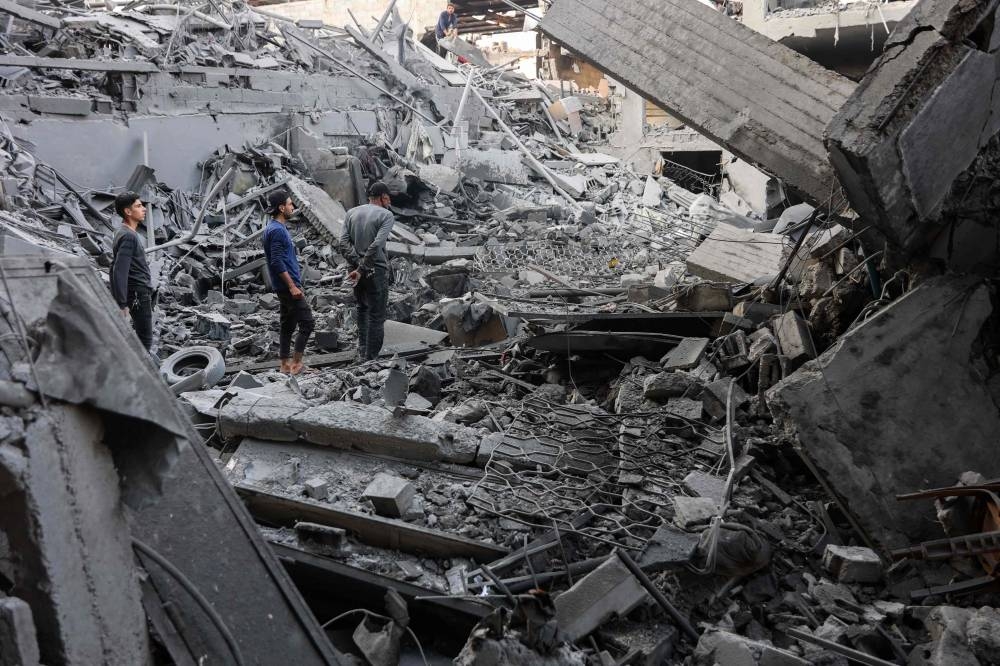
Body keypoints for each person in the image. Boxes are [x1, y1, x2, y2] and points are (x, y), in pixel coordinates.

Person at [340, 182, 395, 361]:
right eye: (388, 198)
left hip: (354, 272)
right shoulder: (386, 215)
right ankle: (370, 358)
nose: (389, 202)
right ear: (383, 197)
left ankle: (362, 351)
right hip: (375, 271)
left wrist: (357, 266)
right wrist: (364, 267)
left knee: (362, 309)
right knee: (377, 315)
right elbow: (377, 244)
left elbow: (343, 243)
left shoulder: (351, 213)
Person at [263, 189, 315, 375]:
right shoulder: (277, 231)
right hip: (287, 286)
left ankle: (285, 365)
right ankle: (296, 365)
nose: (293, 206)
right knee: (307, 323)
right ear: (281, 207)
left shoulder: (273, 227)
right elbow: (276, 261)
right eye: (290, 203)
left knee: (287, 325)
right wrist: (292, 286)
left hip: (282, 286)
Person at [111, 191, 154, 351]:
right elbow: (119, 270)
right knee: (145, 342)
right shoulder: (128, 236)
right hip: (137, 295)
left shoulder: (124, 232)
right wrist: (122, 303)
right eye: (138, 206)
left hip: (137, 293)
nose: (144, 209)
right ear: (128, 212)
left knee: (140, 339)